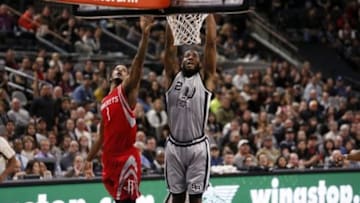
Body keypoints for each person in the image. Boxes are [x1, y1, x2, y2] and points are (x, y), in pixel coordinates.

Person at [83, 16, 154, 203]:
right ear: (109, 77)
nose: (120, 70)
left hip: (125, 157)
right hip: (109, 159)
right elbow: (101, 135)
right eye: (117, 68)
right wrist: (89, 159)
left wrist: (144, 36)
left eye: (124, 69)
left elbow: (138, 63)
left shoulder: (126, 91)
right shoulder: (105, 101)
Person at [163, 14, 217, 203]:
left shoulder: (205, 79)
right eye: (186, 55)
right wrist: (169, 18)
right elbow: (169, 50)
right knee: (176, 197)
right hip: (174, 146)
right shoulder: (172, 78)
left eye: (194, 56)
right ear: (181, 61)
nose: (190, 57)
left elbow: (210, 45)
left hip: (197, 147)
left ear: (200, 63)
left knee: (195, 199)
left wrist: (209, 14)